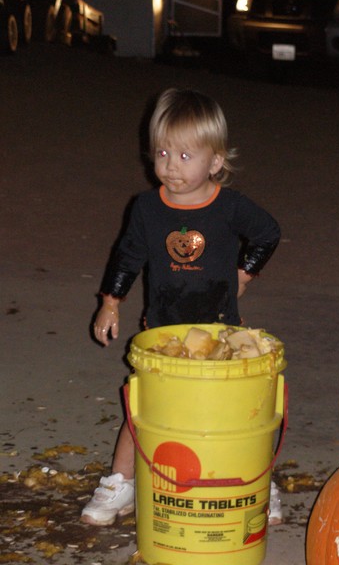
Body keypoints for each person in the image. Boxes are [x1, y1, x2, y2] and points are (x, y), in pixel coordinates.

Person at [81, 87, 283, 527]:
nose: (171, 166)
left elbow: (268, 233)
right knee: (144, 407)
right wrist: (110, 303)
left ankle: (257, 480)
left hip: (222, 330)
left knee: (234, 411)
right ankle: (121, 482)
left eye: (185, 156)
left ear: (215, 161)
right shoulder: (147, 208)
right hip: (163, 330)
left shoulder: (230, 207)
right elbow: (128, 255)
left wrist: (244, 274)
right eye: (163, 152)